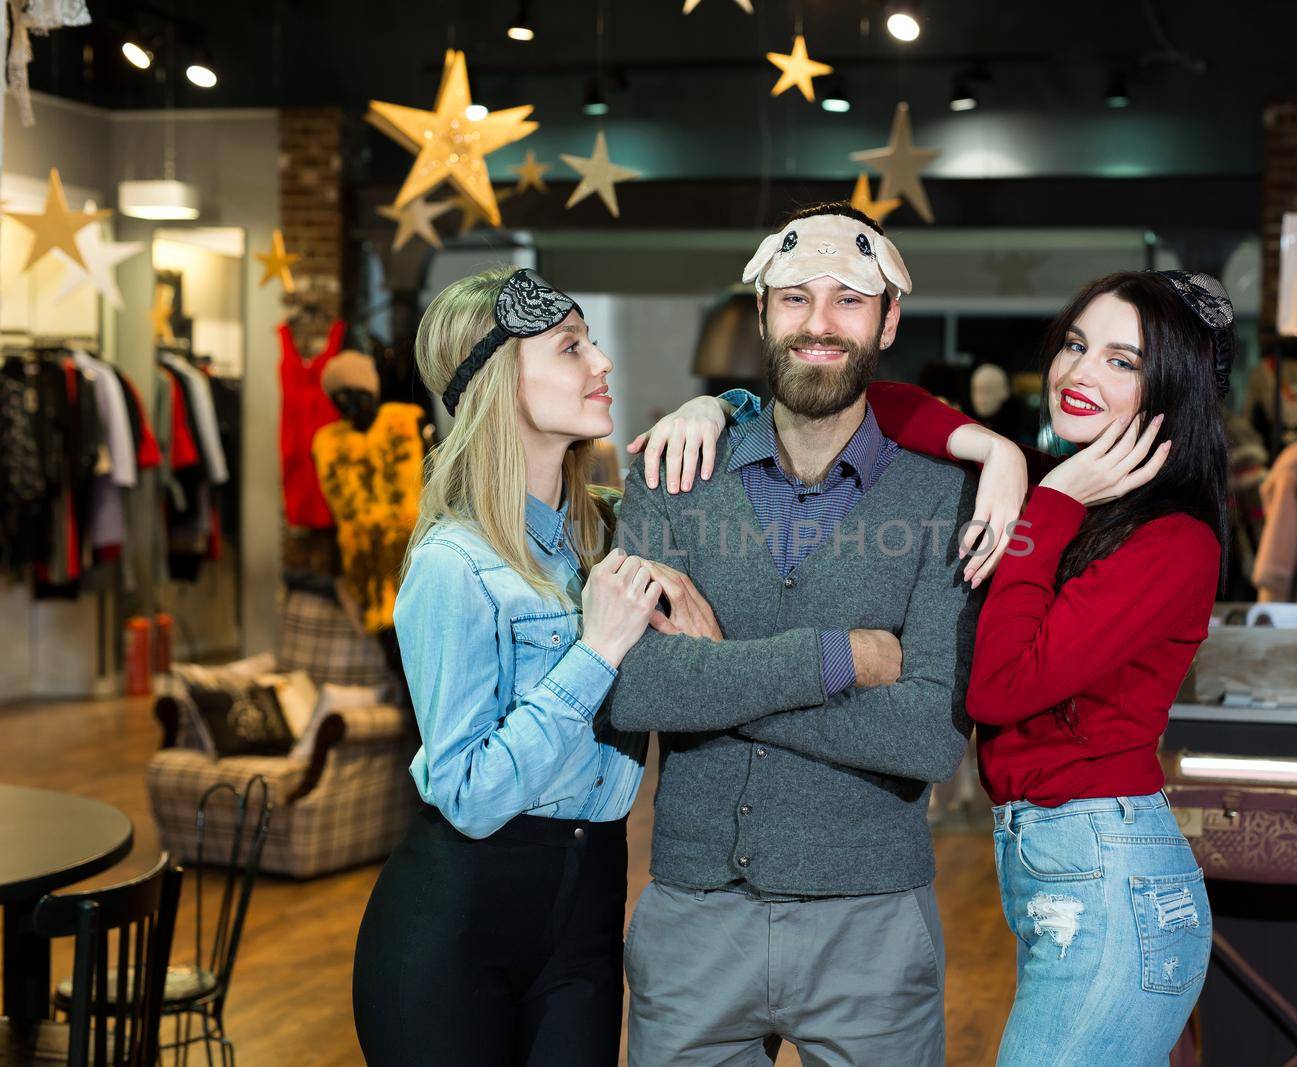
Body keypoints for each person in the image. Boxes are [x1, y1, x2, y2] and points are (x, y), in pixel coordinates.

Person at [656, 268, 1231, 1066]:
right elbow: (874, 403)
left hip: (1111, 873)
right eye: (1074, 344)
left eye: (1122, 361)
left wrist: (1050, 498)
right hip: (1061, 863)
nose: (1079, 371)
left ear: (1174, 388)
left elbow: (998, 689)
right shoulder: (1059, 490)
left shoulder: (1171, 540)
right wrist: (994, 450)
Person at [607, 203, 980, 1066]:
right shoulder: (673, 472)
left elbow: (927, 736)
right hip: (694, 920)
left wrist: (711, 673)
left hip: (874, 929)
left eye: (849, 300)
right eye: (795, 298)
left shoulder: (943, 501)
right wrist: (839, 656)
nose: (819, 324)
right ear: (763, 311)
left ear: (889, 320)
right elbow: (632, 686)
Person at [350, 265, 751, 1067]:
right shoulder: (454, 564)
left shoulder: (610, 530)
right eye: (571, 348)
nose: (601, 363)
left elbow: (759, 423)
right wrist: (597, 649)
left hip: (589, 912)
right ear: (501, 382)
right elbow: (466, 792)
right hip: (456, 926)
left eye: (593, 344)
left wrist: (714, 404)